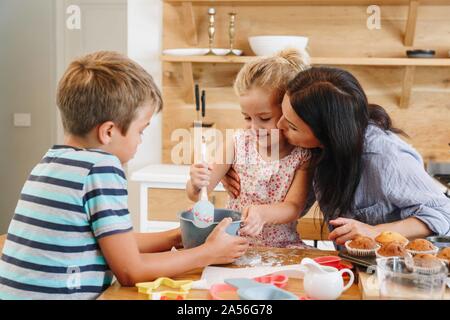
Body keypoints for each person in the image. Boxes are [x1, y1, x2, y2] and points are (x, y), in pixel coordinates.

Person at [0, 51, 248, 299]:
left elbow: (117, 242)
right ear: (108, 132)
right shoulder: (100, 168)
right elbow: (130, 270)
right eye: (141, 130)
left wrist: (181, 236)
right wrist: (208, 253)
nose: (140, 140)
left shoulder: (51, 162)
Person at [222, 66, 450, 246]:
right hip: (357, 265)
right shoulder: (316, 151)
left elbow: (443, 213)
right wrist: (229, 168)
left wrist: (373, 232)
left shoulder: (385, 156)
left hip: (402, 271)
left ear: (326, 133)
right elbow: (292, 203)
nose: (279, 125)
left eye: (291, 125)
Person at [187, 50, 312, 248]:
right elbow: (198, 194)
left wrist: (262, 214)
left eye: (264, 118)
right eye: (247, 117)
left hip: (282, 246)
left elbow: (293, 207)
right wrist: (196, 182)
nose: (253, 127)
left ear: (289, 112)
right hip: (233, 244)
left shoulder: (302, 155)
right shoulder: (236, 143)